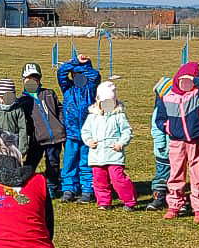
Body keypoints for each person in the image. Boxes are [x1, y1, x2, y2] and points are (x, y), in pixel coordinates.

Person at [159, 62, 199, 224]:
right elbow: (160, 118)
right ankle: (174, 205)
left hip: (197, 139)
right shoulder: (168, 97)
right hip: (176, 140)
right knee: (175, 173)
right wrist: (167, 127)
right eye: (183, 80)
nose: (186, 84)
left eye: (190, 80)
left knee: (198, 174)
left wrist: (198, 78)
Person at [81, 80, 137, 211]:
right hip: (96, 154)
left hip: (114, 153)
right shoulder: (92, 116)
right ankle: (104, 202)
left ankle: (129, 201)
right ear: (98, 101)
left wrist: (121, 143)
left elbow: (126, 131)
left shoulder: (119, 115)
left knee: (118, 179)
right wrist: (89, 141)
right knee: (99, 180)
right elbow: (85, 131)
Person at [57, 54, 103, 203]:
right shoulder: (67, 88)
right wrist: (75, 62)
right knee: (69, 162)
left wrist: (85, 65)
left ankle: (87, 190)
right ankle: (69, 189)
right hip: (71, 133)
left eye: (81, 74)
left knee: (86, 162)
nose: (78, 77)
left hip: (88, 134)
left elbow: (96, 76)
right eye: (75, 74)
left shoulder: (90, 88)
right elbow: (61, 72)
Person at [19, 63, 65, 196]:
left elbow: (59, 109)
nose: (32, 81)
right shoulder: (22, 101)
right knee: (30, 163)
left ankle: (52, 187)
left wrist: (60, 124)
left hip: (54, 137)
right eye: (29, 78)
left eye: (35, 78)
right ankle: (24, 184)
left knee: (53, 163)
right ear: (23, 80)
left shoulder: (49, 93)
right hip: (37, 139)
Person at [146, 75, 173, 212]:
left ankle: (175, 198)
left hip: (176, 149)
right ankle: (159, 196)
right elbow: (157, 131)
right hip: (162, 150)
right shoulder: (159, 111)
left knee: (176, 175)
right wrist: (162, 146)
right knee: (162, 173)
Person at [0, 78, 30, 148]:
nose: (2, 101)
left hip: (12, 145)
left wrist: (22, 148)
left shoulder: (18, 110)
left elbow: (22, 129)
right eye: (0, 97)